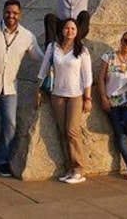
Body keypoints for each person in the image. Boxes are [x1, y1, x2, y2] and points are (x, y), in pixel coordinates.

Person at [0, 0, 43, 177]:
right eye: (8, 12)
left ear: (20, 14)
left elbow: (39, 56)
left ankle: (1, 160)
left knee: (10, 125)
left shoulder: (27, 36)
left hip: (10, 89)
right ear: (3, 12)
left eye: (14, 13)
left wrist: (58, 56)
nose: (11, 16)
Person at [36, 18, 93, 184]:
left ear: (77, 32)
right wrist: (38, 90)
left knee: (72, 131)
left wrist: (88, 98)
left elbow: (87, 77)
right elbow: (43, 69)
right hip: (57, 94)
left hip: (76, 95)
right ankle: (70, 168)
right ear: (62, 30)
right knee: (62, 132)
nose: (70, 31)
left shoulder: (82, 50)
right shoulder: (53, 47)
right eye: (67, 28)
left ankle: (79, 168)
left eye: (73, 28)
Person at [97, 30, 127, 180]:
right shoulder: (109, 57)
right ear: (121, 41)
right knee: (119, 135)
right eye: (125, 40)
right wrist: (104, 98)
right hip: (112, 101)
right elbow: (101, 79)